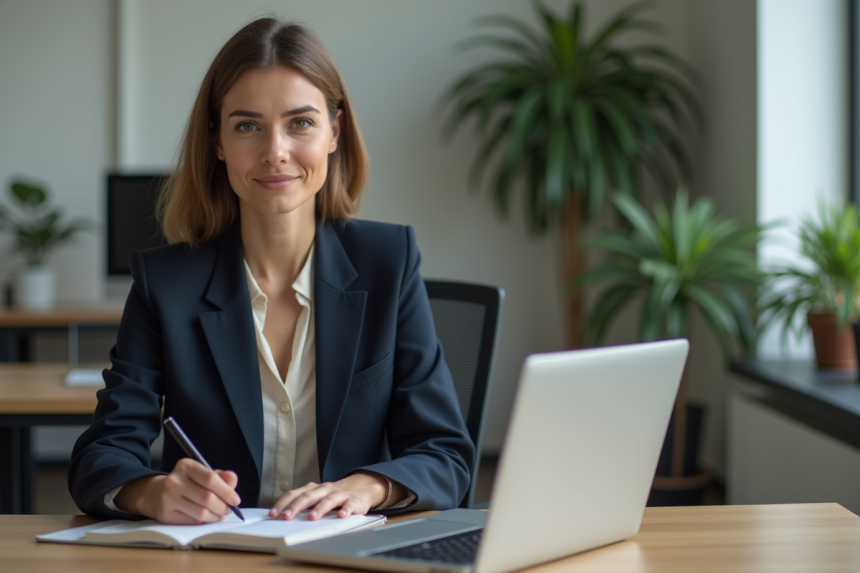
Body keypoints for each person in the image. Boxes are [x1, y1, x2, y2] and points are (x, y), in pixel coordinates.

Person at [68, 18, 474, 525]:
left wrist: (370, 486)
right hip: (214, 556)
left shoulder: (388, 262)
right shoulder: (164, 282)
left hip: (347, 553)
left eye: (300, 123)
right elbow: (100, 455)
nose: (275, 151)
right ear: (217, 140)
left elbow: (446, 456)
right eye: (247, 126)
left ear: (334, 132)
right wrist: (150, 493)